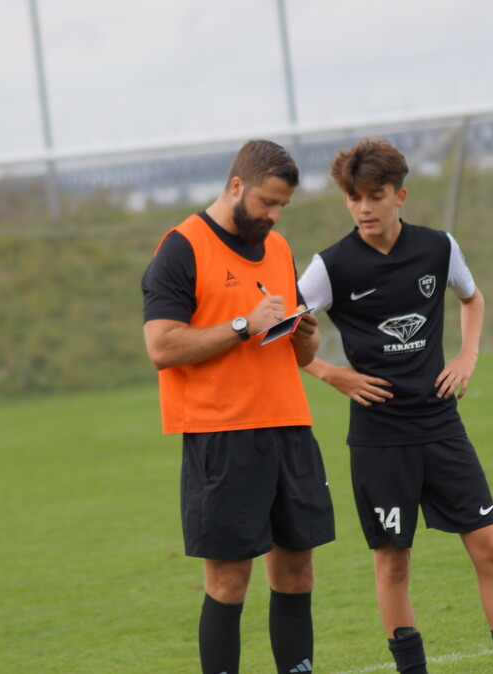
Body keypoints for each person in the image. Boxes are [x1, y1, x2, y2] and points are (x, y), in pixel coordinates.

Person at [297, 139, 493, 673]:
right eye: (353, 198)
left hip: (440, 423)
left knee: (492, 546)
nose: (363, 208)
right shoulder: (330, 267)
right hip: (379, 437)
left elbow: (472, 298)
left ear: (400, 196)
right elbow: (278, 333)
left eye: (375, 196)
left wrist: (467, 355)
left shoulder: (438, 248)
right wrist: (330, 373)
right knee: (394, 564)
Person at [141, 139, 336, 674]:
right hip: (222, 435)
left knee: (297, 574)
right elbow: (161, 347)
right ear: (235, 186)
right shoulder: (182, 246)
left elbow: (300, 354)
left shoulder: (279, 248)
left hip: (289, 427)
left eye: (282, 206)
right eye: (267, 202)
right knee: (229, 583)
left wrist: (307, 337)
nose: (274, 216)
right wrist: (241, 325)